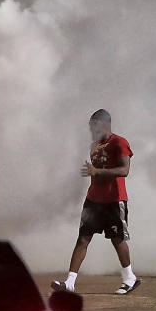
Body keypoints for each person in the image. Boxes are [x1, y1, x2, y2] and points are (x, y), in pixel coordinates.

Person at [52, 109, 140, 295]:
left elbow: (124, 170)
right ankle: (69, 282)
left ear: (105, 124)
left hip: (114, 200)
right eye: (90, 126)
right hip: (93, 200)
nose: (92, 129)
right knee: (83, 238)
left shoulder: (119, 142)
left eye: (95, 125)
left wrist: (97, 172)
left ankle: (129, 277)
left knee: (117, 239)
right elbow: (94, 171)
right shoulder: (94, 145)